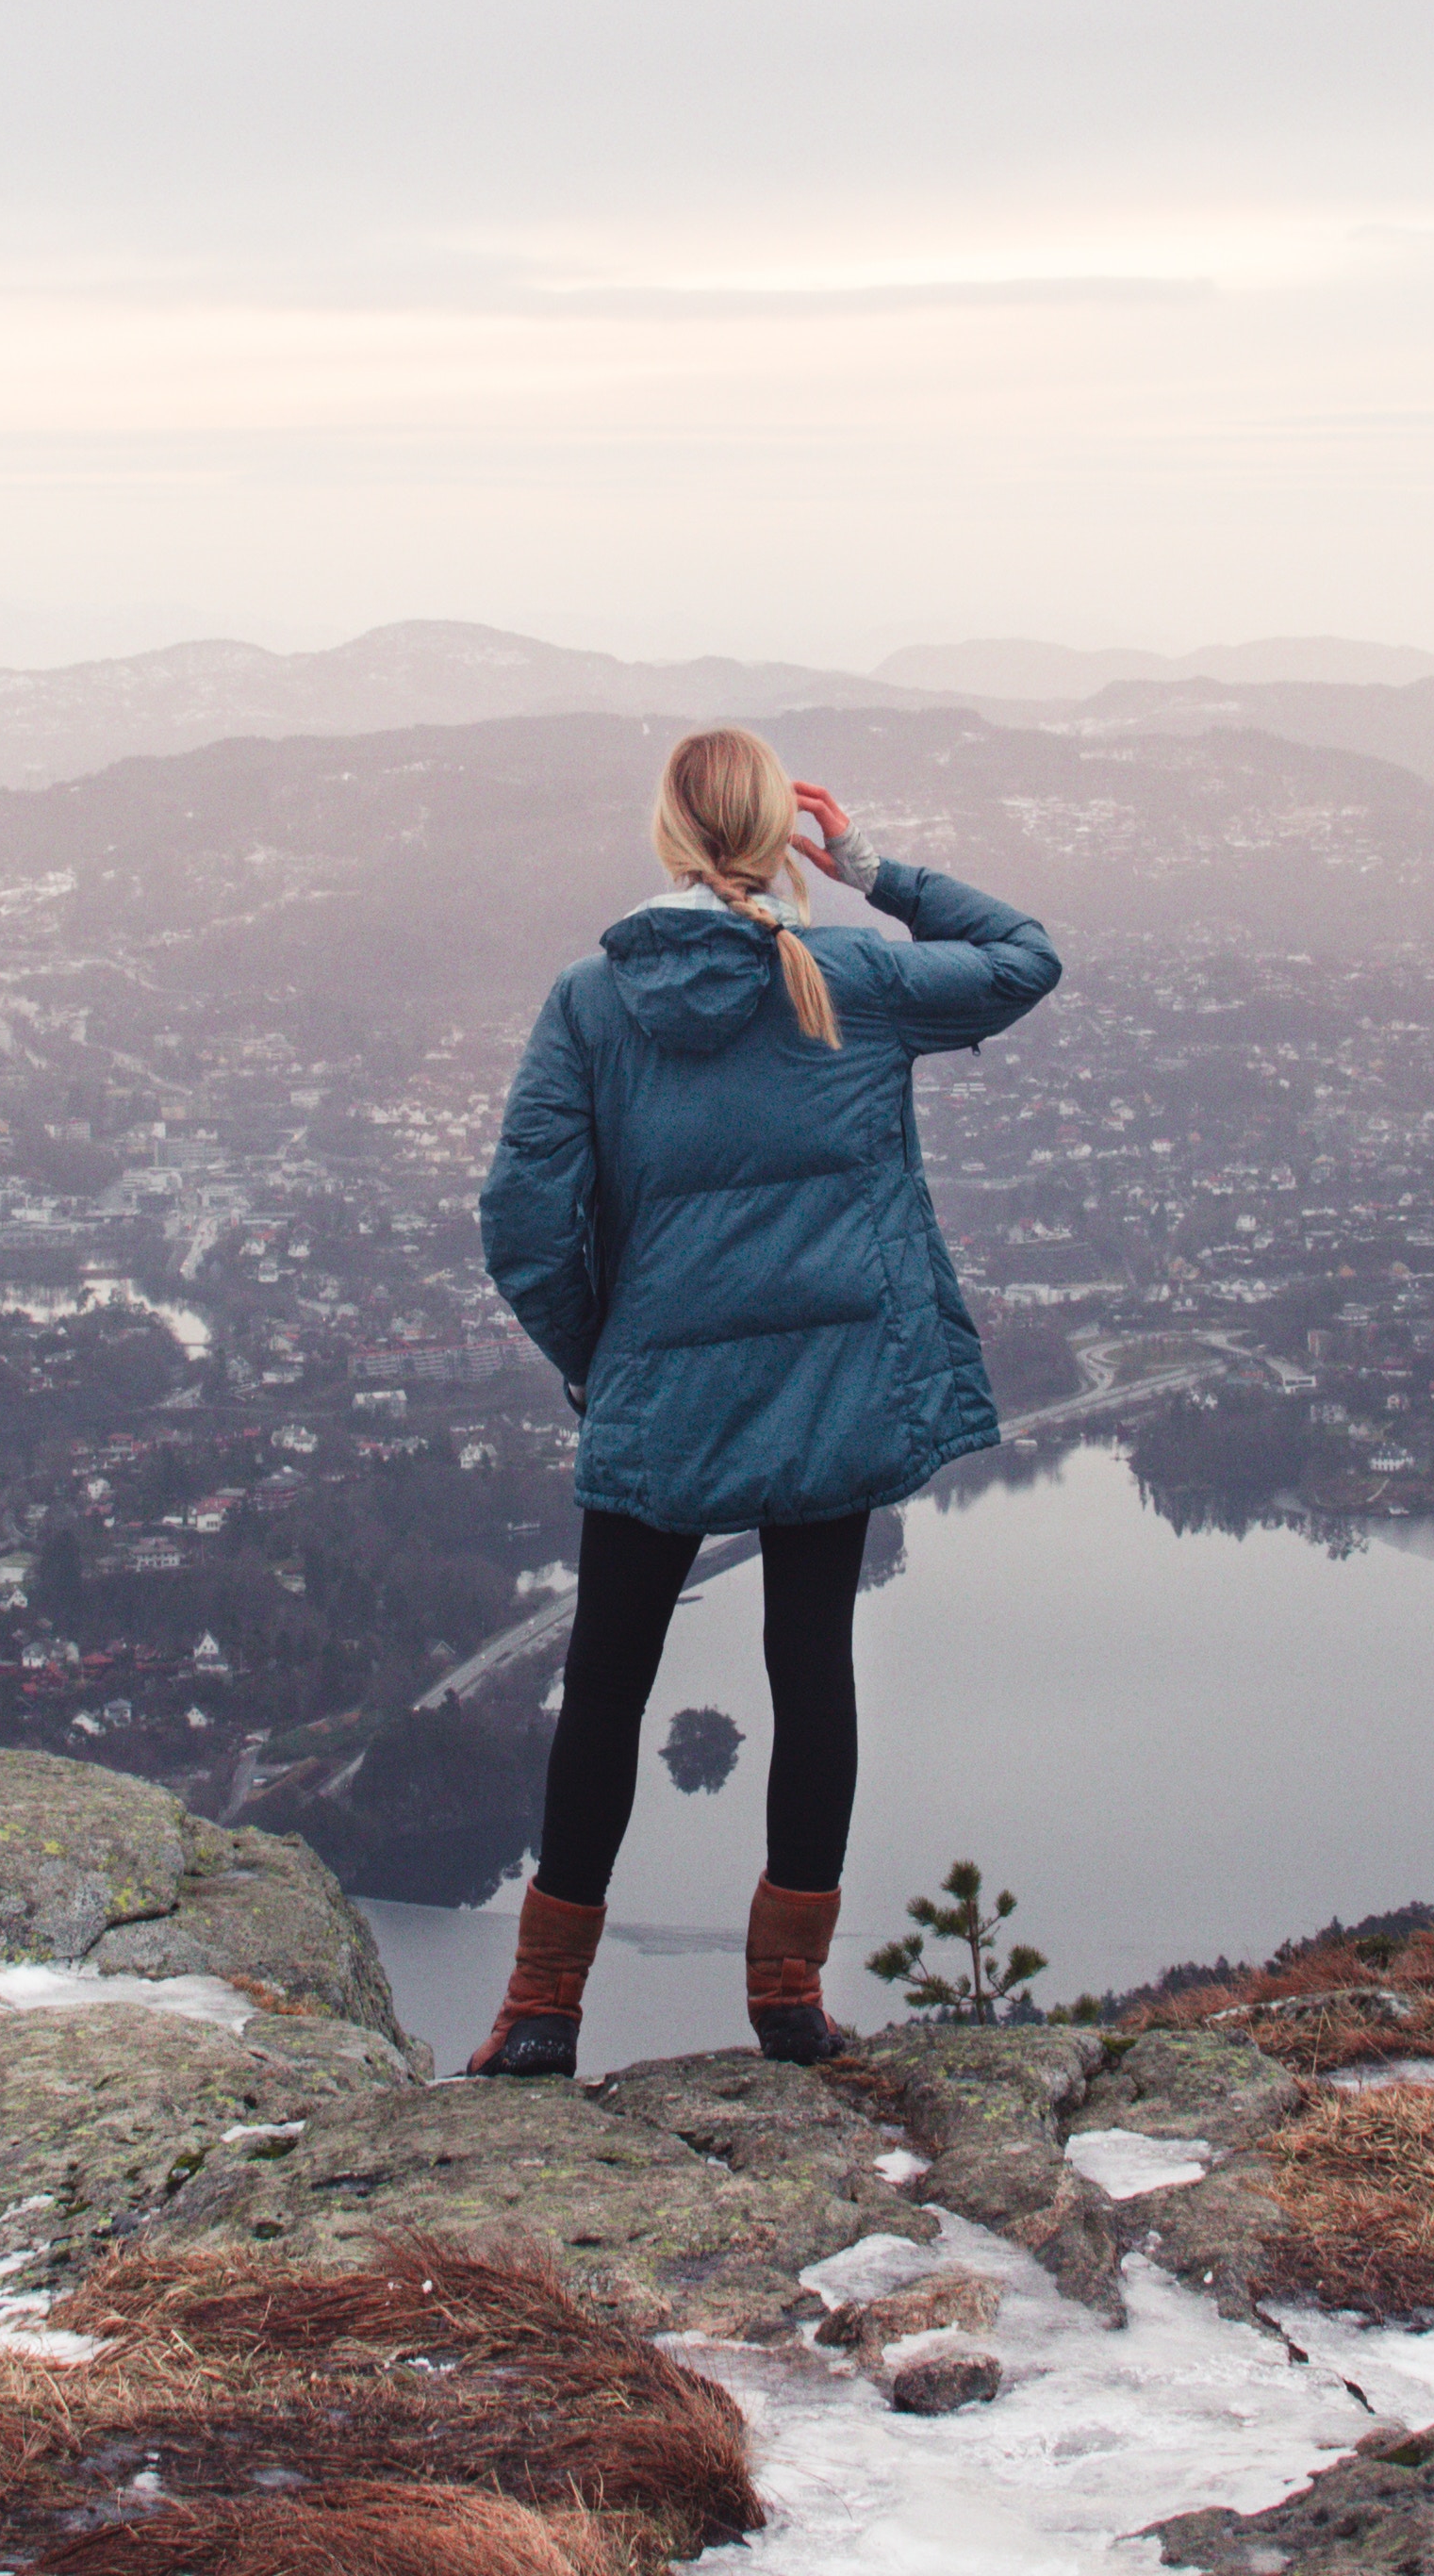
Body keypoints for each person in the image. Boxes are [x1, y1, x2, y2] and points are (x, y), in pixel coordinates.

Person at [466, 726, 1063, 2075]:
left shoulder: (592, 1001)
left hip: (660, 1393)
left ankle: (540, 2012)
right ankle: (788, 2000)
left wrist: (597, 1354)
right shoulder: (849, 972)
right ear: (771, 835)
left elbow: (522, 1221)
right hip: (831, 1387)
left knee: (607, 1684)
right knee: (812, 1668)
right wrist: (870, 867)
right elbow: (1027, 957)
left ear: (670, 836)